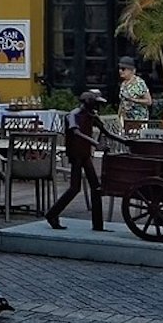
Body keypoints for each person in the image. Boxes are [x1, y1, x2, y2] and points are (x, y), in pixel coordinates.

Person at [48, 90, 121, 231]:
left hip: (85, 154)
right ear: (88, 103)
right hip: (76, 154)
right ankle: (52, 214)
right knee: (75, 188)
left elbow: (107, 132)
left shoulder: (91, 115)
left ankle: (98, 225)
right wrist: (95, 143)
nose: (97, 108)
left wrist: (127, 141)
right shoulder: (74, 115)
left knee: (96, 187)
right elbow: (76, 132)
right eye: (96, 104)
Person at [115, 58, 154, 131]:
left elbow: (149, 101)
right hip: (125, 119)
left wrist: (133, 100)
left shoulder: (139, 83)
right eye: (120, 69)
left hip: (138, 119)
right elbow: (122, 102)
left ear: (132, 71)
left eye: (123, 69)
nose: (120, 71)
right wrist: (118, 117)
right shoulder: (123, 84)